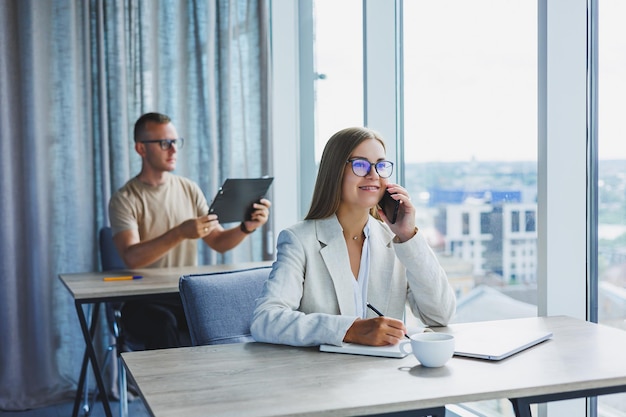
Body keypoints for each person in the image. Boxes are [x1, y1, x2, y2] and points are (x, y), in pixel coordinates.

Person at [250, 127, 455, 347]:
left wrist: (408, 237)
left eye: (380, 165)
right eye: (360, 165)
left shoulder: (397, 243)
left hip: (386, 374)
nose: (373, 175)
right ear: (335, 172)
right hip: (323, 375)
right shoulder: (299, 240)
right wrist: (349, 330)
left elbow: (440, 316)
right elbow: (265, 320)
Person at [109, 112, 271, 349]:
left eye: (175, 142)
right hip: (142, 300)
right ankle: (169, 386)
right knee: (162, 323)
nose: (173, 150)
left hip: (182, 294)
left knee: (225, 315)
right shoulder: (124, 199)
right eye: (165, 143)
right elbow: (132, 258)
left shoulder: (188, 189)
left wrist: (246, 228)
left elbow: (217, 242)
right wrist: (179, 233)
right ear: (141, 149)